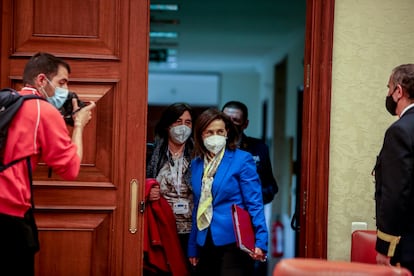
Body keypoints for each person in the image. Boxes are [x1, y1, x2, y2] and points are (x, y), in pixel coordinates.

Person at [0, 52, 96, 275]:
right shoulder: (43, 110)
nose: (65, 89)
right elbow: (70, 169)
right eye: (62, 82)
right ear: (42, 80)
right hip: (8, 217)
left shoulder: (8, 104)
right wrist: (79, 125)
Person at [188, 108, 268, 276]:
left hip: (234, 241)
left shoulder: (242, 159)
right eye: (209, 132)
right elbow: (198, 205)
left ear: (227, 133)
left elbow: (255, 203)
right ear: (200, 134)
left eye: (219, 131)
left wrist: (261, 241)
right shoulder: (196, 164)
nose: (214, 136)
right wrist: (193, 247)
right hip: (205, 240)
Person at [373, 64, 414, 274]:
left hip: (408, 246)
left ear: (399, 91)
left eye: (389, 88)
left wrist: (384, 247)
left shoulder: (399, 131)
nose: (388, 94)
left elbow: (395, 193)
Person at [146, 103, 195, 261]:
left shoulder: (198, 155)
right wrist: (147, 189)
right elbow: (134, 184)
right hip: (161, 228)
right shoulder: (150, 154)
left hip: (191, 231)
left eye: (187, 122)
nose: (183, 127)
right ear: (167, 125)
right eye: (178, 121)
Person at [222, 101, 278, 205]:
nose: (229, 123)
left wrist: (250, 200)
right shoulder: (210, 146)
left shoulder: (259, 148)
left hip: (248, 213)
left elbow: (270, 187)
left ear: (245, 124)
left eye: (235, 120)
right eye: (226, 119)